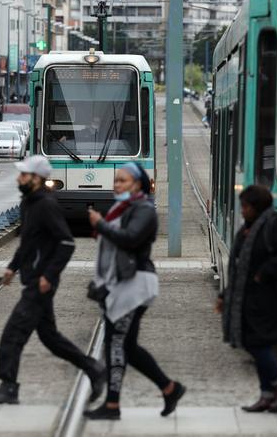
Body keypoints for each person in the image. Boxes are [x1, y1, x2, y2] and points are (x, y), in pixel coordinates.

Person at [0, 155, 105, 405]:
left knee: (12, 335)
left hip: (40, 282)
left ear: (36, 179)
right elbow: (28, 242)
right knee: (50, 338)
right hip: (33, 278)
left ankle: (9, 387)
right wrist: (12, 268)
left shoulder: (46, 205)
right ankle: (93, 369)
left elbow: (67, 243)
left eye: (23, 175)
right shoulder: (29, 203)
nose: (19, 178)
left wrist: (49, 275)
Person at [84, 162, 185, 421]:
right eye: (116, 180)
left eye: (123, 180)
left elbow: (130, 238)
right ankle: (169, 388)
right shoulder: (124, 208)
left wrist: (101, 225)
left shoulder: (144, 210)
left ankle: (112, 405)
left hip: (135, 284)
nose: (117, 184)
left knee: (116, 343)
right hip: (121, 282)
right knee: (127, 345)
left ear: (138, 184)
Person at [217, 185, 277, 413]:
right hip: (249, 296)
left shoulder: (275, 223)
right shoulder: (249, 228)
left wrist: (264, 273)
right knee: (257, 342)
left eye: (245, 206)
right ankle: (267, 395)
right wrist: (225, 295)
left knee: (256, 343)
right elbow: (239, 266)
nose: (242, 211)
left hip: (268, 297)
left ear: (257, 206)